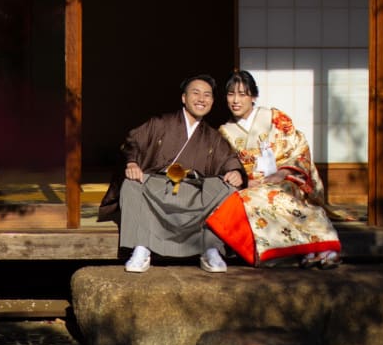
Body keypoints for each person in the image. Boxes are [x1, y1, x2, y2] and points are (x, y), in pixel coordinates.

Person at [98, 75, 245, 273]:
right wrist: (132, 162)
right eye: (196, 93)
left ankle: (210, 248)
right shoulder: (159, 123)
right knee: (131, 184)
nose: (202, 98)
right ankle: (141, 247)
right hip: (158, 187)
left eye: (207, 95)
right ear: (184, 98)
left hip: (193, 191)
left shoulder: (212, 136)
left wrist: (234, 171)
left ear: (212, 101)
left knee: (228, 188)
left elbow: (227, 159)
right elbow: (133, 142)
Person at [208, 70, 342, 269]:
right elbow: (226, 165)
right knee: (249, 201)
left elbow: (298, 147)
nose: (235, 100)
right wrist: (246, 181)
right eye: (230, 94)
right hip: (252, 185)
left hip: (285, 178)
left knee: (281, 198)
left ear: (253, 96)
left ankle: (322, 247)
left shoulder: (273, 117)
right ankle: (303, 250)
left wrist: (282, 173)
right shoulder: (225, 131)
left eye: (242, 94)